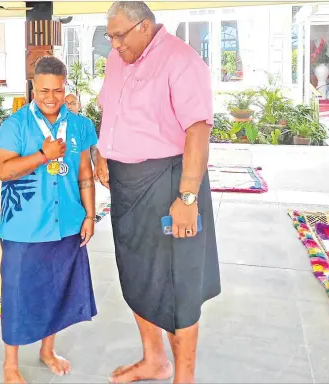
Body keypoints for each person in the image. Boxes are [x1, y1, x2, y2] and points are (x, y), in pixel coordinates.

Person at [94, 2, 221, 384]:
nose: (113, 45)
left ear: (145, 27)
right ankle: (155, 360)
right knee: (138, 274)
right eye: (110, 36)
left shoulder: (181, 61)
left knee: (177, 282)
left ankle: (185, 376)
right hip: (126, 183)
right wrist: (103, 152)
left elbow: (198, 130)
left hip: (169, 182)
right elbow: (109, 110)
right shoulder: (120, 59)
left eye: (120, 35)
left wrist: (187, 198)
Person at [0, 56, 98, 383]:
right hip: (23, 226)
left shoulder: (79, 125)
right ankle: (10, 365)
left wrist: (90, 214)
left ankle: (47, 350)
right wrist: (43, 156)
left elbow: (85, 172)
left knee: (57, 290)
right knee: (17, 293)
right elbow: (4, 170)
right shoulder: (15, 125)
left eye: (56, 90)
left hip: (66, 223)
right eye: (42, 91)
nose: (50, 97)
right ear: (32, 88)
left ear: (65, 86)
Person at [64, 93, 99, 178]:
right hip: (62, 169)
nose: (69, 106)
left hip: (81, 168)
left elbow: (93, 147)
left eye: (73, 103)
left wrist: (97, 166)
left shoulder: (86, 123)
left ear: (79, 106)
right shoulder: (57, 122)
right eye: (66, 103)